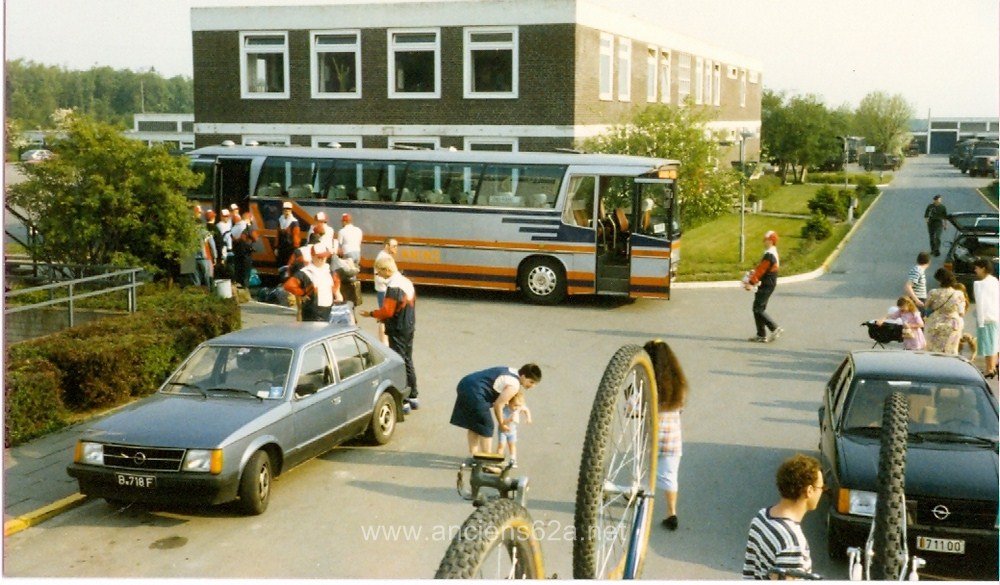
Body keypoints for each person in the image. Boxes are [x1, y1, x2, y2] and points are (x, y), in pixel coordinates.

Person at [742, 454, 824, 580]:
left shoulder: (761, 517)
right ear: (809, 491)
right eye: (821, 488)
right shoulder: (792, 543)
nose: (822, 492)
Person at [360, 256, 418, 407]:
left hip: (398, 328)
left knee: (399, 361)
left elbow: (387, 311)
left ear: (386, 270)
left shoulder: (394, 287)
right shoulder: (406, 281)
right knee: (407, 359)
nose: (378, 276)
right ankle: (413, 395)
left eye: (379, 272)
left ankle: (403, 399)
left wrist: (371, 314)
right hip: (409, 325)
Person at [644, 339, 689, 532]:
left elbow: (632, 409)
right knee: (670, 476)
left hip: (651, 437)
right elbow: (680, 408)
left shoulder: (646, 383)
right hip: (672, 438)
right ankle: (671, 513)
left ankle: (641, 506)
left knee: (645, 471)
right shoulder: (679, 383)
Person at [449, 364, 542, 456]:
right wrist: (502, 423)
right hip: (475, 392)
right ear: (523, 376)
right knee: (487, 426)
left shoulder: (512, 370)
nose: (532, 386)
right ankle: (486, 461)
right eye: (531, 382)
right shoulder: (514, 385)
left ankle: (474, 455)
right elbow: (498, 405)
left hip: (465, 384)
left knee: (475, 424)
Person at [283, 243, 343, 322]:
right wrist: (302, 293)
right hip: (313, 312)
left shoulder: (329, 271)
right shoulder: (305, 272)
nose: (323, 259)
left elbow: (336, 287)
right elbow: (288, 286)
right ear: (313, 256)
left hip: (329, 310)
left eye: (325, 256)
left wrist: (338, 297)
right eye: (320, 257)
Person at [744, 230, 783, 343]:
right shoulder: (772, 252)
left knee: (758, 308)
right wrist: (753, 273)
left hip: (767, 284)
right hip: (768, 283)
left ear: (771, 241)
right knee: (758, 309)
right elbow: (762, 269)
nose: (763, 242)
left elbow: (761, 270)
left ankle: (774, 328)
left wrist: (750, 283)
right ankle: (761, 335)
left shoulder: (769, 255)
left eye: (765, 240)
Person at [924, 267, 966, 354]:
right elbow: (962, 312)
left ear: (940, 280)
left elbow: (926, 306)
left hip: (935, 322)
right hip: (953, 323)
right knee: (951, 349)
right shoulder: (959, 294)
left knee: (934, 350)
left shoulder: (933, 292)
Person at [972, 258, 999, 378]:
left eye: (977, 268)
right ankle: (992, 367)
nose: (975, 270)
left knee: (987, 344)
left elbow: (979, 303)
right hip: (995, 316)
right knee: (994, 343)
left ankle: (989, 369)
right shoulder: (994, 280)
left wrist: (980, 321)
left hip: (985, 317)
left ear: (983, 268)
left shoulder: (979, 284)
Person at [496, 390, 532, 467]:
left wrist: (528, 418)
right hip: (503, 431)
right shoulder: (505, 410)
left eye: (519, 405)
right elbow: (501, 422)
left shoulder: (519, 408)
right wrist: (510, 419)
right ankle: (498, 460)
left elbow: (526, 410)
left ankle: (513, 460)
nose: (517, 408)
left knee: (512, 445)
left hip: (512, 432)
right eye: (515, 405)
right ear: (509, 403)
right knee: (501, 446)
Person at [374, 238, 399, 344]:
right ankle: (384, 343)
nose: (396, 248)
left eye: (397, 246)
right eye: (394, 246)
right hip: (384, 292)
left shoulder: (387, 257)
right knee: (384, 318)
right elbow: (378, 277)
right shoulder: (382, 258)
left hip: (387, 291)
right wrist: (390, 281)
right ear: (386, 246)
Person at [231, 212, 258, 289]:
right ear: (250, 218)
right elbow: (255, 238)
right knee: (246, 272)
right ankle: (245, 289)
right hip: (246, 252)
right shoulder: (248, 226)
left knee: (238, 270)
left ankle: (238, 287)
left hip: (236, 252)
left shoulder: (235, 226)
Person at [276, 201, 301, 270]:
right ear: (283, 210)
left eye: (288, 209)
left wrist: (296, 249)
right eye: (285, 209)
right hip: (281, 248)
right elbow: (278, 234)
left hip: (290, 249)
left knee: (289, 266)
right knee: (281, 266)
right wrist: (276, 247)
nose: (287, 211)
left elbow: (296, 236)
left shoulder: (294, 222)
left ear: (291, 210)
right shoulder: (280, 220)